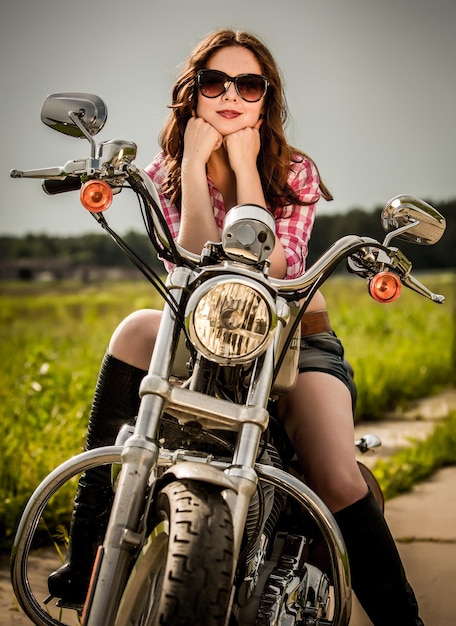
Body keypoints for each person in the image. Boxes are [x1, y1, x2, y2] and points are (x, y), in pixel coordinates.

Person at [48, 29, 424, 625]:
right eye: (214, 82)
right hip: (202, 331)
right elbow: (194, 256)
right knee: (131, 331)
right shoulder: (164, 170)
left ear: (265, 98)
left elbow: (273, 265)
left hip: (294, 339)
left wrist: (247, 168)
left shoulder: (294, 171)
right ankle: (87, 552)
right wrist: (195, 164)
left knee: (334, 473)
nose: (231, 95)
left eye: (248, 84)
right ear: (191, 94)